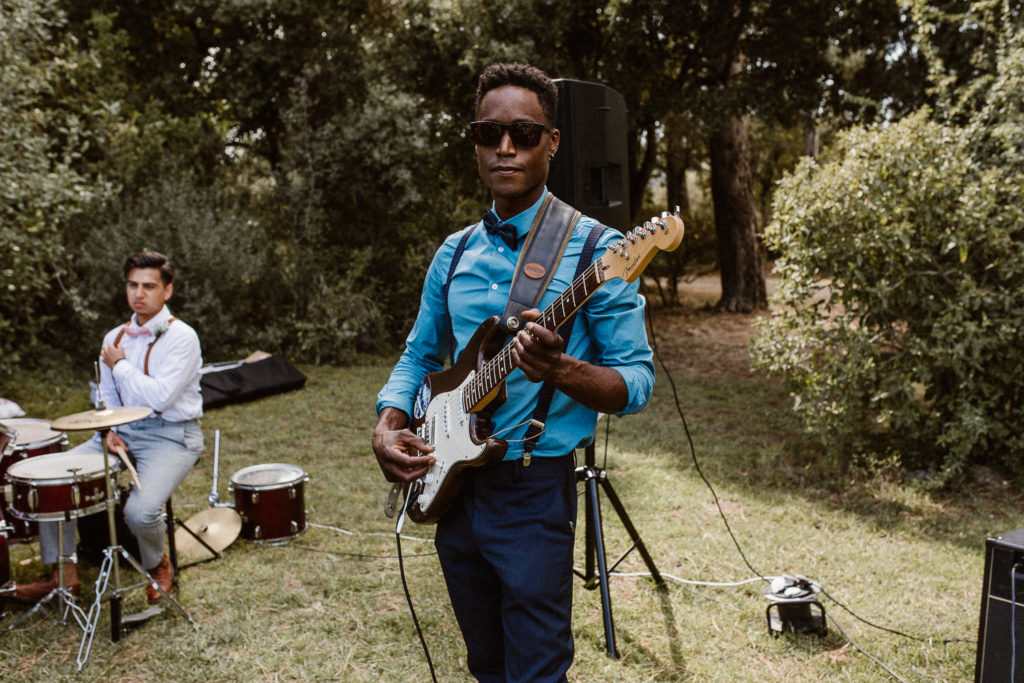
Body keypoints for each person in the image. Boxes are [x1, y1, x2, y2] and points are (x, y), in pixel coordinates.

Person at [372, 63, 654, 682]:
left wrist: (561, 369)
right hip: (453, 485)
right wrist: (389, 424)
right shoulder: (453, 253)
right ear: (474, 141)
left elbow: (635, 384)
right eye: (489, 132)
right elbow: (422, 353)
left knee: (536, 667)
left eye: (525, 134)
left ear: (552, 142)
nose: (506, 147)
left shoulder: (596, 252)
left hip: (533, 489)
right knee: (485, 662)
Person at [16, 251, 204, 603]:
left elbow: (161, 398)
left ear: (168, 291)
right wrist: (107, 431)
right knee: (52, 477)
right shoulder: (115, 336)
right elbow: (106, 395)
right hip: (123, 434)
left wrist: (120, 366)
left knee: (139, 511)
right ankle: (63, 575)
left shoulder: (183, 337)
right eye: (133, 285)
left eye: (149, 286)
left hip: (173, 437)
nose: (139, 293)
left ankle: (157, 565)